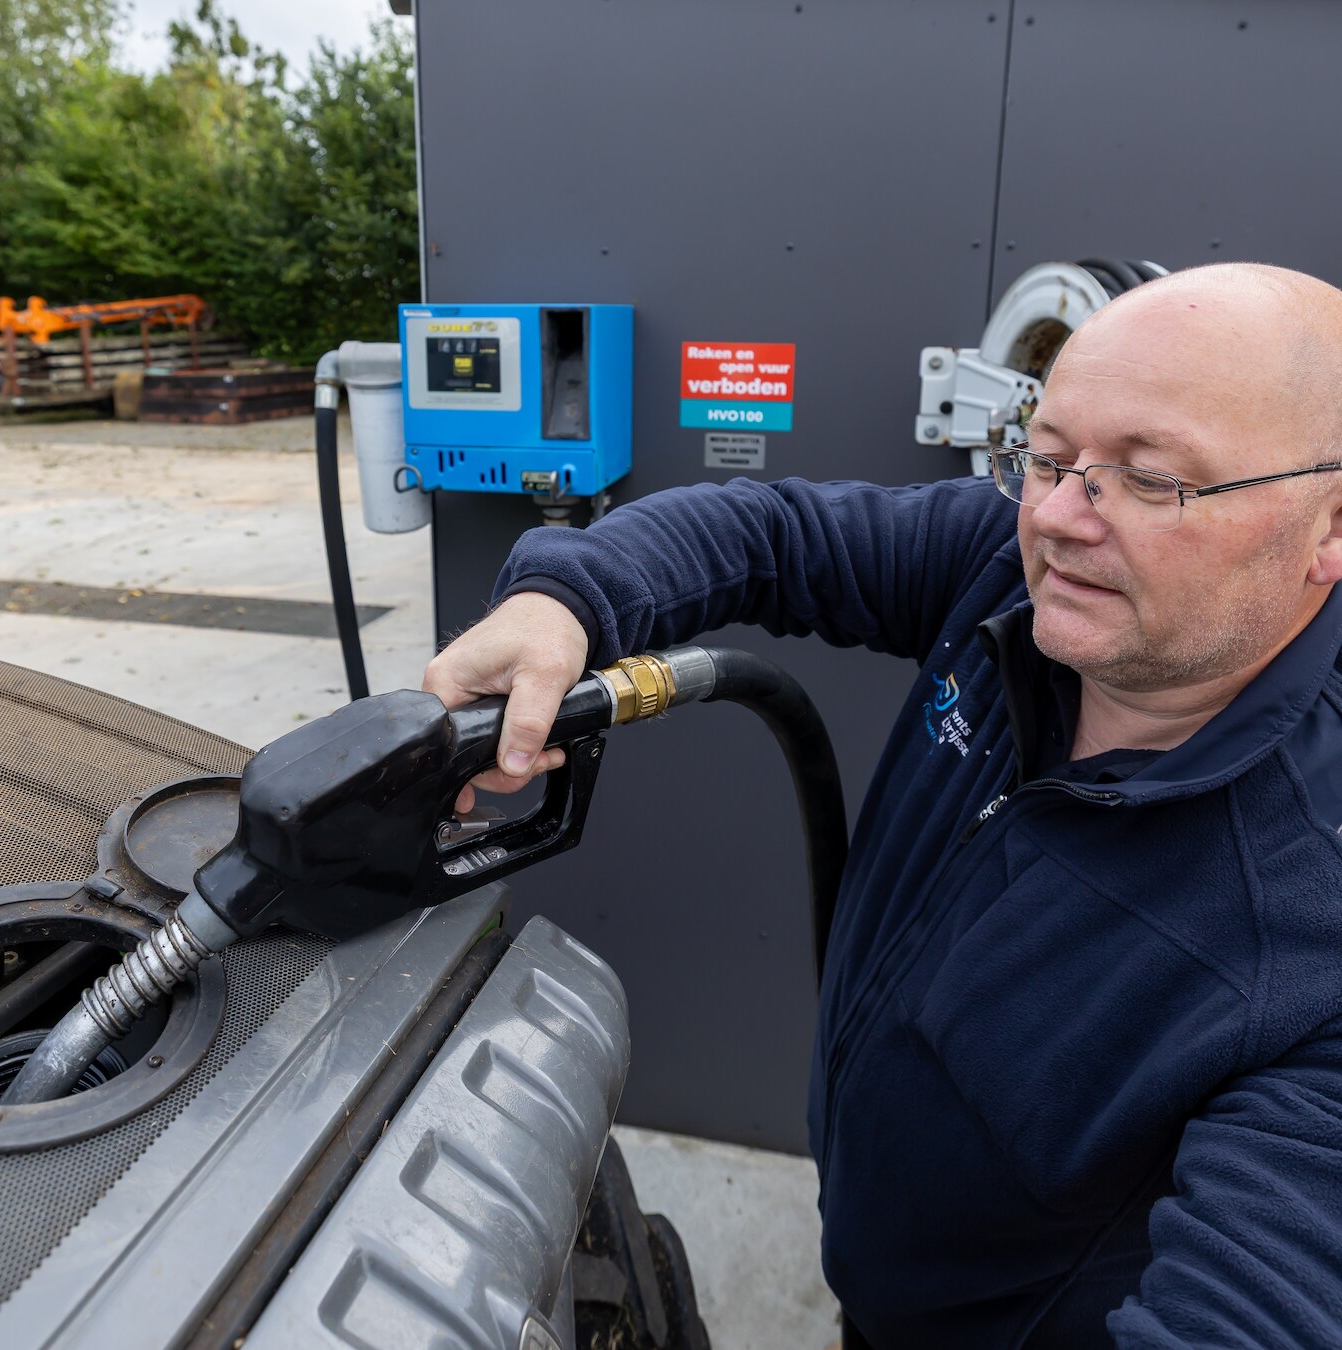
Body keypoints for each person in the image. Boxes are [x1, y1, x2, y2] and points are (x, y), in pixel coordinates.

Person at [421, 263, 1342, 1348]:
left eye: (1149, 480)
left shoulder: (1310, 916)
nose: (1056, 519)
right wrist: (564, 601)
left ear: (1328, 524)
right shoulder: (1017, 573)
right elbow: (771, 533)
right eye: (1044, 455)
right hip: (878, 1264)